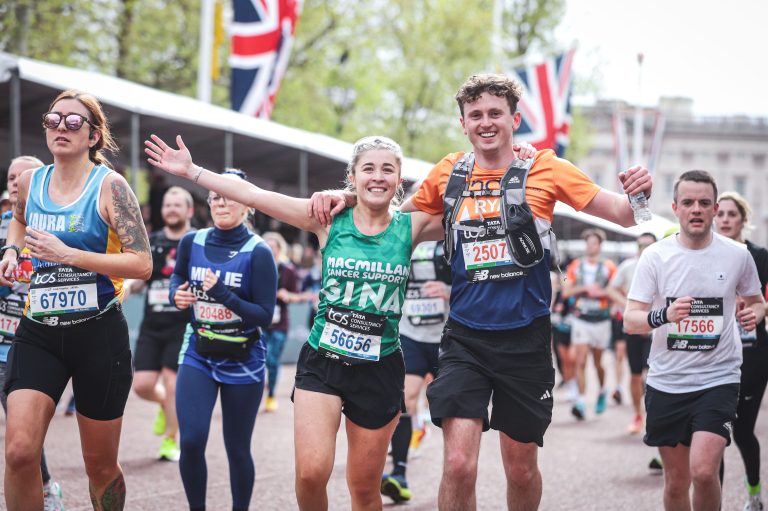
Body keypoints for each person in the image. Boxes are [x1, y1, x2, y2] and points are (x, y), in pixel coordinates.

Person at [309, 73, 653, 510]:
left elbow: (624, 214)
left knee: (521, 467)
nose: (486, 122)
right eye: (476, 115)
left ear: (515, 118)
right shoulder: (450, 171)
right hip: (465, 338)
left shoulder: (546, 168)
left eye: (495, 113)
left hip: (526, 338)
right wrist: (341, 195)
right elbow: (388, 218)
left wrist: (639, 193)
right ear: (463, 124)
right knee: (457, 463)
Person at [145, 132, 456, 511]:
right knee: (310, 474)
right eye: (368, 169)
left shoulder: (412, 227)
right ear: (352, 177)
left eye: (387, 170)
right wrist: (193, 172)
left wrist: (512, 159)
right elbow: (255, 196)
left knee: (363, 488)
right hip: (323, 361)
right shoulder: (327, 219)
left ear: (399, 179)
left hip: (380, 367)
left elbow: (469, 203)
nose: (378, 176)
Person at [1, 90, 152, 510]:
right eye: (53, 119)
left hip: (98, 334)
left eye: (73, 122)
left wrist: (68, 255)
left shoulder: (111, 187)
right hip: (39, 331)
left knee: (100, 466)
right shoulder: (31, 182)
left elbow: (141, 264)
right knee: (19, 451)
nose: (60, 128)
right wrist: (11, 251)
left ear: (93, 135)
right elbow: (17, 218)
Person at [624, 170, 765, 511]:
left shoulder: (736, 255)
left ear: (715, 209)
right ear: (676, 207)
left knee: (703, 472)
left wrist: (755, 314)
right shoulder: (656, 256)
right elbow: (630, 320)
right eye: (688, 202)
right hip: (667, 382)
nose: (696, 209)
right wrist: (664, 316)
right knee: (676, 482)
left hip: (719, 378)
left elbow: (757, 300)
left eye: (704, 203)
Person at [164, 169, 276, 511]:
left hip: (244, 358)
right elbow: (179, 277)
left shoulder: (259, 252)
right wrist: (176, 296)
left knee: (237, 447)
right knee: (193, 439)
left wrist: (222, 294)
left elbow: (263, 315)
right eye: (215, 196)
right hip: (199, 351)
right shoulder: (191, 242)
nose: (221, 201)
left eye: (229, 195)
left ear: (247, 204)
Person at [0, 155, 65, 510]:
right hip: (1, 336)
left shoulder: (56, 226)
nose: (15, 181)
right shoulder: (2, 228)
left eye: (24, 176)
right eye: (11, 176)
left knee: (20, 431)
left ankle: (45, 485)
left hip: (33, 340)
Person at [381, 240, 451, 503]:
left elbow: (477, 282)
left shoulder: (453, 234)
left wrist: (449, 291)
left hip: (447, 337)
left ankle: (456, 474)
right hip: (410, 335)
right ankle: (399, 473)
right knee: (406, 400)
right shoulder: (403, 236)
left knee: (451, 410)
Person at [127, 186, 194, 461]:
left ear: (189, 210)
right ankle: (165, 407)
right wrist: (127, 288)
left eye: (177, 205)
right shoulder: (151, 240)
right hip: (152, 325)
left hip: (183, 326)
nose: (172, 209)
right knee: (142, 385)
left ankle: (170, 440)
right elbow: (140, 276)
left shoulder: (197, 241)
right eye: (167, 205)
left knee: (173, 384)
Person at [714, 191, 768, 511]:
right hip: (713, 353)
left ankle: (754, 494)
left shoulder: (760, 256)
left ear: (743, 220)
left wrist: (759, 311)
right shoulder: (704, 253)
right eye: (720, 214)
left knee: (742, 431)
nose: (724, 220)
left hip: (752, 352)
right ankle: (713, 502)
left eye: (731, 214)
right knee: (714, 433)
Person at [562, 228, 617, 420]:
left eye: (594, 243)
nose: (590, 246)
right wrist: (585, 288)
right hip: (581, 318)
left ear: (600, 246)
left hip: (601, 319)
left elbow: (617, 290)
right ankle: (581, 401)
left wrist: (601, 293)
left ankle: (602, 390)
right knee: (581, 360)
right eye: (588, 243)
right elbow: (566, 291)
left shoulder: (609, 267)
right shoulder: (575, 266)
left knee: (597, 362)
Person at [605, 232, 657, 434]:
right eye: (640, 245)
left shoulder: (662, 264)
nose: (643, 249)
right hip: (633, 328)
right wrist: (627, 306)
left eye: (648, 246)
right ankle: (638, 415)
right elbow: (610, 289)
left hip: (655, 329)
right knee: (635, 374)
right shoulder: (628, 266)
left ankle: (654, 416)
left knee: (651, 373)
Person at [262, 231, 300, 412]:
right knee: (261, 359)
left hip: (280, 322)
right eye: (267, 248)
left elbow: (297, 295)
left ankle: (271, 395)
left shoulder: (288, 270)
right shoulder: (257, 266)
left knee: (272, 359)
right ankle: (260, 391)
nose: (270, 251)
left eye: (273, 248)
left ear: (279, 249)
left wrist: (287, 296)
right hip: (261, 321)